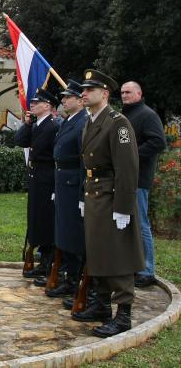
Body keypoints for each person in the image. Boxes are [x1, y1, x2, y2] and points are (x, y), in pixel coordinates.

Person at [71, 70, 144, 338]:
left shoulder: (118, 123)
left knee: (118, 254)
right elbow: (87, 165)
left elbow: (127, 168)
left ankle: (123, 314)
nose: (84, 93)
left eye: (90, 89)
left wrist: (124, 206)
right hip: (94, 196)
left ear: (105, 93)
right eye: (84, 89)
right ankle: (101, 304)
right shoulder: (91, 121)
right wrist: (83, 195)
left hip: (112, 197)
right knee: (98, 252)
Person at [121, 80, 166, 288]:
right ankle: (132, 265)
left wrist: (131, 156)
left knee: (140, 224)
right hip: (123, 178)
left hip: (139, 179)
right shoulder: (125, 116)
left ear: (139, 93)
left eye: (129, 92)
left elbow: (158, 142)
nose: (124, 95)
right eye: (122, 92)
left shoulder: (147, 115)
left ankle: (147, 270)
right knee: (127, 223)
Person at [14, 88, 59, 284]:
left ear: (48, 106)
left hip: (47, 178)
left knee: (46, 220)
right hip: (36, 177)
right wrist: (27, 124)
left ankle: (49, 263)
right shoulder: (36, 124)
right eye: (32, 102)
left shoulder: (53, 125)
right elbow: (20, 141)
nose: (32, 105)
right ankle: (43, 259)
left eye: (37, 103)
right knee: (36, 219)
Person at [48, 80, 88, 303]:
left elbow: (85, 160)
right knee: (63, 232)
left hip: (74, 183)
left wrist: (82, 192)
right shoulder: (67, 122)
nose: (63, 101)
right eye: (62, 98)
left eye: (67, 97)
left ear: (80, 101)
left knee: (74, 234)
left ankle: (78, 281)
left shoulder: (83, 123)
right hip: (62, 181)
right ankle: (69, 278)